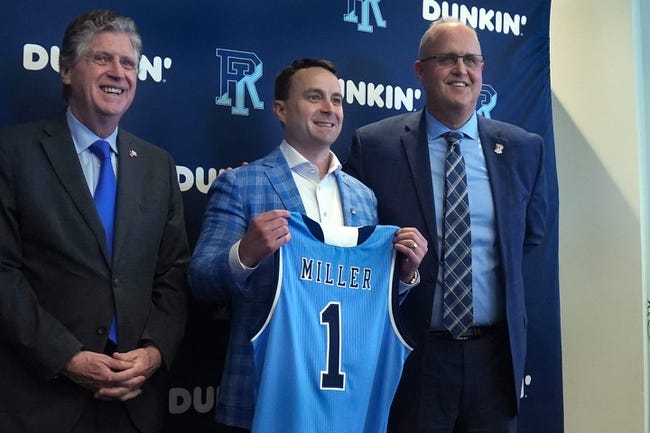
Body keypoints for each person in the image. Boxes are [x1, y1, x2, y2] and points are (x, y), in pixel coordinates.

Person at [188, 58, 427, 432]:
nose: (329, 109)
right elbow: (201, 279)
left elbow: (364, 301)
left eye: (336, 99)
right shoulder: (243, 184)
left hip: (343, 400)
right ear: (281, 110)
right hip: (264, 397)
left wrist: (404, 275)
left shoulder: (362, 197)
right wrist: (246, 252)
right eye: (314, 97)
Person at [344, 17, 548, 433]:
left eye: (471, 59)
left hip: (495, 358)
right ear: (420, 70)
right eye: (448, 59)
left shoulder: (524, 149)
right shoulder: (374, 145)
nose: (462, 70)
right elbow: (354, 240)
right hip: (413, 354)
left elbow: (529, 236)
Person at [0, 10, 189, 433]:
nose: (118, 73)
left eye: (127, 63)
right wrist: (66, 357)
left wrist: (153, 354)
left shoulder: (158, 166)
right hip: (40, 401)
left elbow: (174, 274)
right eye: (102, 59)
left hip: (134, 403)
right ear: (67, 69)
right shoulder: (13, 153)